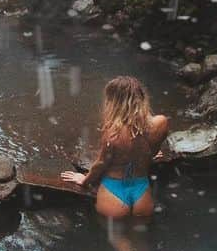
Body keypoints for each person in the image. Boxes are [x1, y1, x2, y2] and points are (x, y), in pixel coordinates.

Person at [62, 75, 169, 218]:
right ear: (142, 98)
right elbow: (151, 152)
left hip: (114, 191)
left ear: (114, 103)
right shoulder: (160, 123)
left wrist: (84, 180)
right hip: (141, 191)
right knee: (140, 237)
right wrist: (151, 156)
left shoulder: (114, 132)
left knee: (117, 239)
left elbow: (101, 163)